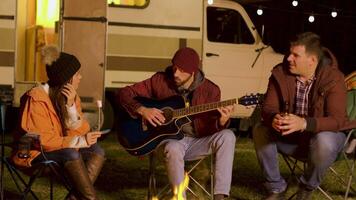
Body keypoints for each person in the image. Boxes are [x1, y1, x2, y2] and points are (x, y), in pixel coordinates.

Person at [117, 47, 236, 199]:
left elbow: (209, 128)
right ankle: (180, 197)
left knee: (228, 136)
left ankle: (220, 195)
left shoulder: (211, 90)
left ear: (193, 71)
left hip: (197, 142)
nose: (175, 73)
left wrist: (221, 122)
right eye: (174, 68)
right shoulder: (160, 80)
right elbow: (123, 93)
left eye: (181, 70)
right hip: (168, 142)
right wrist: (142, 110)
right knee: (173, 147)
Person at [253, 32, 356, 200]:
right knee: (260, 129)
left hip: (323, 144)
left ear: (312, 61)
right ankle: (276, 187)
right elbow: (268, 107)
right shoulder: (280, 73)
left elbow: (338, 121)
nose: (288, 59)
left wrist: (304, 123)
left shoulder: (333, 78)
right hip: (291, 139)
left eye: (296, 55)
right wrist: (275, 118)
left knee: (324, 140)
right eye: (290, 53)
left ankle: (307, 187)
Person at [11, 46, 105, 200]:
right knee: (71, 153)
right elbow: (41, 140)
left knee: (97, 151)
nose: (80, 77)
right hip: (32, 154)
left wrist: (71, 108)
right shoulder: (36, 99)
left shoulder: (70, 97)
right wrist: (80, 141)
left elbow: (81, 131)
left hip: (58, 149)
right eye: (77, 74)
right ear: (67, 79)